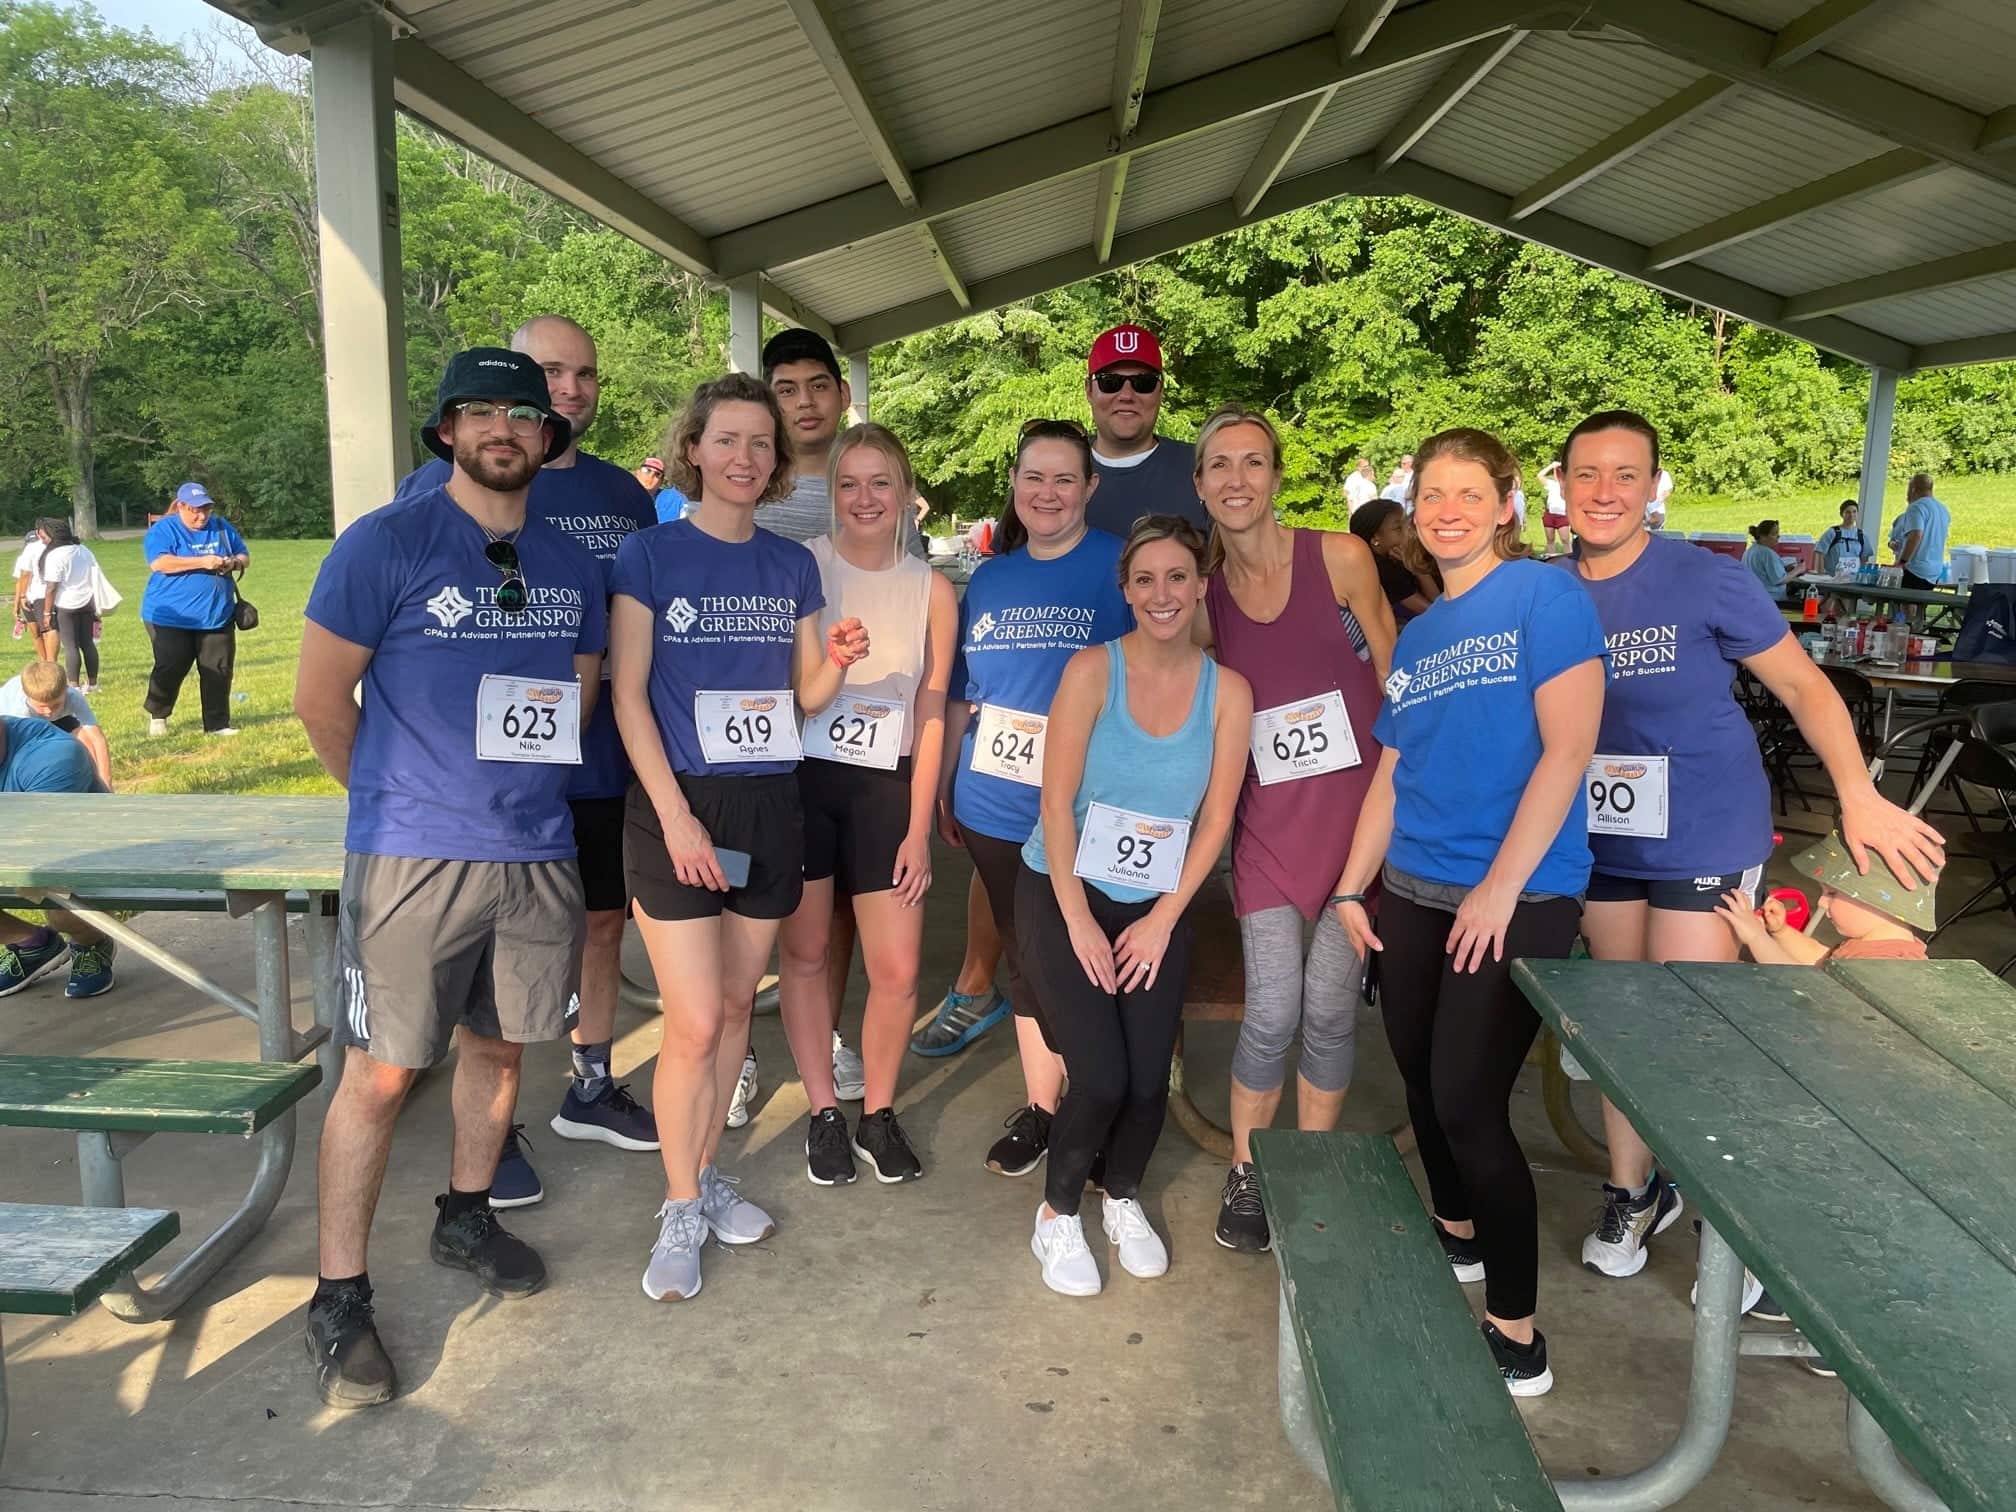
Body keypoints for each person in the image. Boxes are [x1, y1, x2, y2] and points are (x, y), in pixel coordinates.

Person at [1556, 408, 1944, 1289]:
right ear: (1562, 485)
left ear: (1653, 486)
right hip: (1603, 833)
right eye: (1587, 474)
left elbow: (1807, 689)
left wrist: (1857, 795)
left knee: (1695, 1032)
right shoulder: (1547, 590)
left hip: (1703, 827)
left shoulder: (1706, 579)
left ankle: (1738, 1230)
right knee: (1623, 1023)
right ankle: (1634, 1188)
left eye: (1626, 474)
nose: (1606, 492)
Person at [293, 347, 607, 1408]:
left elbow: (579, 694)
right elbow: (321, 700)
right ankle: (338, 1296)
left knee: (501, 1051)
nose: (503, 429)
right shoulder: (386, 542)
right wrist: (395, 799)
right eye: (480, 412)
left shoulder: (571, 562)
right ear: (446, 431)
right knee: (382, 1074)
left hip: (536, 855)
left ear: (548, 435)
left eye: (522, 413)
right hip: (412, 857)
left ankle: (466, 1213)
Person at [1331, 427, 1607, 1398]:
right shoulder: (1423, 639)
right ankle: (1454, 1229)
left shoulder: (1545, 597)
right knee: (1413, 1069)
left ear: (1504, 505)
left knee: (1466, 1100)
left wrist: (1498, 887)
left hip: (1520, 894)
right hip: (1409, 887)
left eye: (1466, 492)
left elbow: (1568, 749)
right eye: (1430, 494)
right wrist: (1347, 888)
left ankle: (1517, 1327)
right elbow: (1392, 776)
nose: (1446, 509)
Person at [608, 372, 866, 1302]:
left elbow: (802, 699)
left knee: (728, 1008)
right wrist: (674, 814)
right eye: (728, 441)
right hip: (676, 807)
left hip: (768, 804)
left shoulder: (791, 567)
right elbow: (628, 694)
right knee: (698, 1022)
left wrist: (835, 666)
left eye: (762, 445)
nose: (747, 458)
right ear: (695, 450)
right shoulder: (648, 555)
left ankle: (706, 1176)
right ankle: (679, 1206)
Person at [392, 314, 660, 1206]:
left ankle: (589, 1083)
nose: (571, 389)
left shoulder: (626, 494)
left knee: (601, 921)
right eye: (551, 373)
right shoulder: (439, 485)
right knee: (481, 960)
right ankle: (493, 1131)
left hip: (591, 758)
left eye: (585, 375)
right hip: (469, 790)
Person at [1020, 516, 1251, 1293]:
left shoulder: (1229, 691)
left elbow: (1216, 818)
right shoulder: (1093, 671)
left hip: (1158, 903)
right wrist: (1079, 918)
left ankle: (1121, 1196)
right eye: (1146, 579)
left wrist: (1162, 918)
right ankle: (1056, 1215)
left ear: (1200, 586)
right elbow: (1055, 808)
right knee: (1103, 1077)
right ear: (1126, 591)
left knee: (1151, 1081)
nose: (1163, 594)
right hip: (1063, 892)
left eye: (1178, 577)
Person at [1200, 410, 1394, 1253]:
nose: (1237, 480)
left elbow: (1401, 691)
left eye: (1253, 462)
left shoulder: (1342, 560)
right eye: (1219, 466)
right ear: (1200, 484)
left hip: (1360, 835)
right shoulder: (1205, 599)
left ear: (1278, 475)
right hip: (1268, 832)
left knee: (1329, 1010)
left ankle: (1311, 1167)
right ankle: (1248, 1172)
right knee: (1272, 1009)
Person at [940, 419, 1133, 1177]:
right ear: (1015, 487)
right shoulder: (989, 577)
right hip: (993, 805)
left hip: (1088, 812)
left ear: (1089, 487)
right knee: (1027, 964)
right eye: (1032, 477)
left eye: (1063, 479)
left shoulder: (1120, 567)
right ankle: (1045, 1110)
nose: (1046, 493)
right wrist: (947, 787)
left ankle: (1102, 1102)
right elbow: (966, 694)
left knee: (1093, 963)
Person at [780, 423, 958, 1186]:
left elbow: (934, 706)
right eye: (848, 484)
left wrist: (921, 829)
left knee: (897, 967)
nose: (863, 498)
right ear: (831, 494)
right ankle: (823, 1110)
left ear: (906, 493)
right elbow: (796, 692)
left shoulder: (932, 588)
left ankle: (877, 1113)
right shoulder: (803, 569)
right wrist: (833, 661)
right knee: (808, 952)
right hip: (808, 780)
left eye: (879, 482)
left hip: (889, 786)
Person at [755, 327, 901, 1118]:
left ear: (843, 396)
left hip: (848, 723)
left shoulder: (865, 479)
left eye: (819, 385)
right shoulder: (752, 482)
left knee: (836, 897)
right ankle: (738, 1047)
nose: (805, 402)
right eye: (787, 388)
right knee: (749, 893)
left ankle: (833, 1032)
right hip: (756, 718)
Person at [0, 711, 115, 999]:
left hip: (84, 852)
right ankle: (31, 943)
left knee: (62, 913)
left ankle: (91, 943)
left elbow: (38, 846)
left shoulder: (53, 756)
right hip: (20, 850)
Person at [1716, 833, 1936, 965]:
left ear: (1878, 899)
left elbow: (1808, 989)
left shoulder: (1887, 966)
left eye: (1832, 894)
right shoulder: (1872, 947)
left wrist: (1756, 937)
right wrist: (1780, 932)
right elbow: (1821, 961)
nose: (1821, 902)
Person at [141, 483, 249, 738]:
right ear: (180, 506)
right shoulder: (164, 529)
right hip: (171, 617)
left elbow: (244, 556)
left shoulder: (221, 527)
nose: (202, 516)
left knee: (218, 668)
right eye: (196, 510)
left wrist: (232, 562)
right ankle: (159, 715)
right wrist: (202, 561)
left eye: (206, 510)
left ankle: (217, 724)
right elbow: (159, 563)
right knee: (171, 665)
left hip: (216, 614)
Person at [1082, 325, 1203, 536]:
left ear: (1161, 390)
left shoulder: (1204, 466)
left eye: (1143, 383)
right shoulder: (1052, 470)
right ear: (1089, 390)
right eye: (1110, 382)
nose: (1126, 395)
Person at [1, 660, 110, 788]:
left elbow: (97, 739)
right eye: (42, 706)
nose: (48, 711)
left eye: (55, 704)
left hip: (57, 717)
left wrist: (106, 782)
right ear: (28, 697)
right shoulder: (19, 710)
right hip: (18, 727)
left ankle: (93, 781)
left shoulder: (74, 697)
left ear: (66, 689)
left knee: (84, 739)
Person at [35, 521, 105, 692]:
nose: (43, 540)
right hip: (87, 602)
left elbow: (51, 587)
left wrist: (47, 612)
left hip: (66, 604)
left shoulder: (55, 555)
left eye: (44, 536)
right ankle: (93, 683)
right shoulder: (83, 550)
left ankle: (73, 685)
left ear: (53, 536)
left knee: (70, 645)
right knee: (88, 643)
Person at [1350, 499, 1438, 625]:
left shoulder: (1392, 560)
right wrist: (1416, 567)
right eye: (1398, 528)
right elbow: (1435, 611)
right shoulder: (1384, 572)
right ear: (1375, 538)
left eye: (1406, 524)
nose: (1408, 531)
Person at [1890, 472, 1951, 589]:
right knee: (1919, 605)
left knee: (1900, 600)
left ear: (1913, 489)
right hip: (1935, 570)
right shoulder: (1943, 509)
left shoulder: (1916, 507)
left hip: (1915, 568)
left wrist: (1902, 562)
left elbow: (1916, 535)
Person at [10, 520, 56, 664]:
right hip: (29, 597)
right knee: (37, 632)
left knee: (42, 632)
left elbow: (23, 577)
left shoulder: (43, 550)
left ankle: (48, 662)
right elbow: (20, 581)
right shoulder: (25, 555)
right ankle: (44, 662)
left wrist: (18, 603)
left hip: (37, 596)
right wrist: (16, 603)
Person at [1741, 519, 1800, 601]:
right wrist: (1798, 569)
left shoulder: (1749, 551)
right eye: (1774, 534)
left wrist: (1784, 569)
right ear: (1763, 536)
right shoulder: (1767, 553)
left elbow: (1763, 572)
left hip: (1754, 596)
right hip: (1772, 599)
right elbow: (1780, 580)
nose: (1778, 536)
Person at [1817, 500, 1872, 578]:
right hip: (1832, 579)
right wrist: (1821, 576)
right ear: (1842, 514)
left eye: (1854, 512)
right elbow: (1820, 553)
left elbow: (1864, 559)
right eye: (1848, 512)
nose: (1851, 515)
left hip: (1853, 580)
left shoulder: (1862, 535)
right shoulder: (1832, 533)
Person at [1538, 460, 1571, 556]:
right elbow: (1540, 476)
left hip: (1562, 515)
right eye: (1556, 472)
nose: (1557, 475)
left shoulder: (1567, 484)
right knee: (1550, 539)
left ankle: (1568, 559)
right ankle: (1551, 559)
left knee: (1565, 540)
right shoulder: (1551, 484)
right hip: (1550, 514)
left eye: (1559, 472)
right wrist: (1551, 466)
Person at [1646, 466, 1673, 530]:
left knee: (1657, 532)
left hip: (1658, 510)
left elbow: (1668, 491)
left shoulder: (1664, 475)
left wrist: (1661, 499)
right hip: (1644, 511)